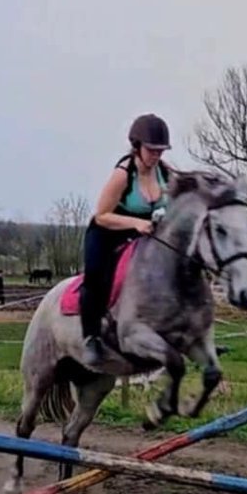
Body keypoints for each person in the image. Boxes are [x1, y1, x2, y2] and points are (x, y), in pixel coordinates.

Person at [79, 113, 173, 368]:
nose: (156, 155)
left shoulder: (165, 172)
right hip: (107, 232)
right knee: (96, 278)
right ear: (136, 146)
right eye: (152, 150)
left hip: (144, 234)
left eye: (160, 151)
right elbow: (102, 215)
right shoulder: (123, 174)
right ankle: (91, 338)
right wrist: (135, 222)